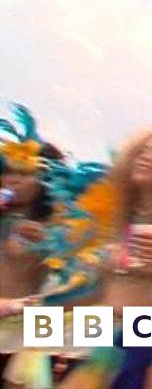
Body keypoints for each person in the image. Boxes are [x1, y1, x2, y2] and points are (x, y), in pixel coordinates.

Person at [60, 129, 152, 389]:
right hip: (110, 337)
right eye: (143, 151)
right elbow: (93, 292)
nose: (145, 158)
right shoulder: (114, 220)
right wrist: (29, 307)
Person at [1, 105, 65, 388]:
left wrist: (50, 243)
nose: (14, 179)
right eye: (9, 171)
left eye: (26, 173)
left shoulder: (56, 226)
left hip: (18, 335)